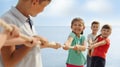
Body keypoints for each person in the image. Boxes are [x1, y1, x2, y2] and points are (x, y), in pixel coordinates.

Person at [0, 0, 61, 67]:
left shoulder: (27, 20)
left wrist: (50, 45)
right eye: (44, 6)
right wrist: (34, 40)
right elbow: (8, 63)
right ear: (35, 2)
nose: (43, 10)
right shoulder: (8, 20)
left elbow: (27, 46)